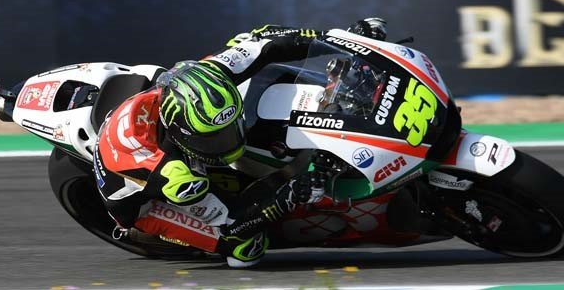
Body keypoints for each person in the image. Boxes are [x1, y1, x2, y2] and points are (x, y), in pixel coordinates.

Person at [92, 19, 387, 268]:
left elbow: (267, 40)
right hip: (141, 200)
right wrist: (290, 195)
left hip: (141, 114)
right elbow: (233, 222)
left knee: (248, 46)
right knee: (243, 250)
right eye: (215, 138)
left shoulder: (212, 72)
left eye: (230, 128)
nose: (229, 141)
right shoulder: (174, 174)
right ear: (183, 136)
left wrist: (343, 40)